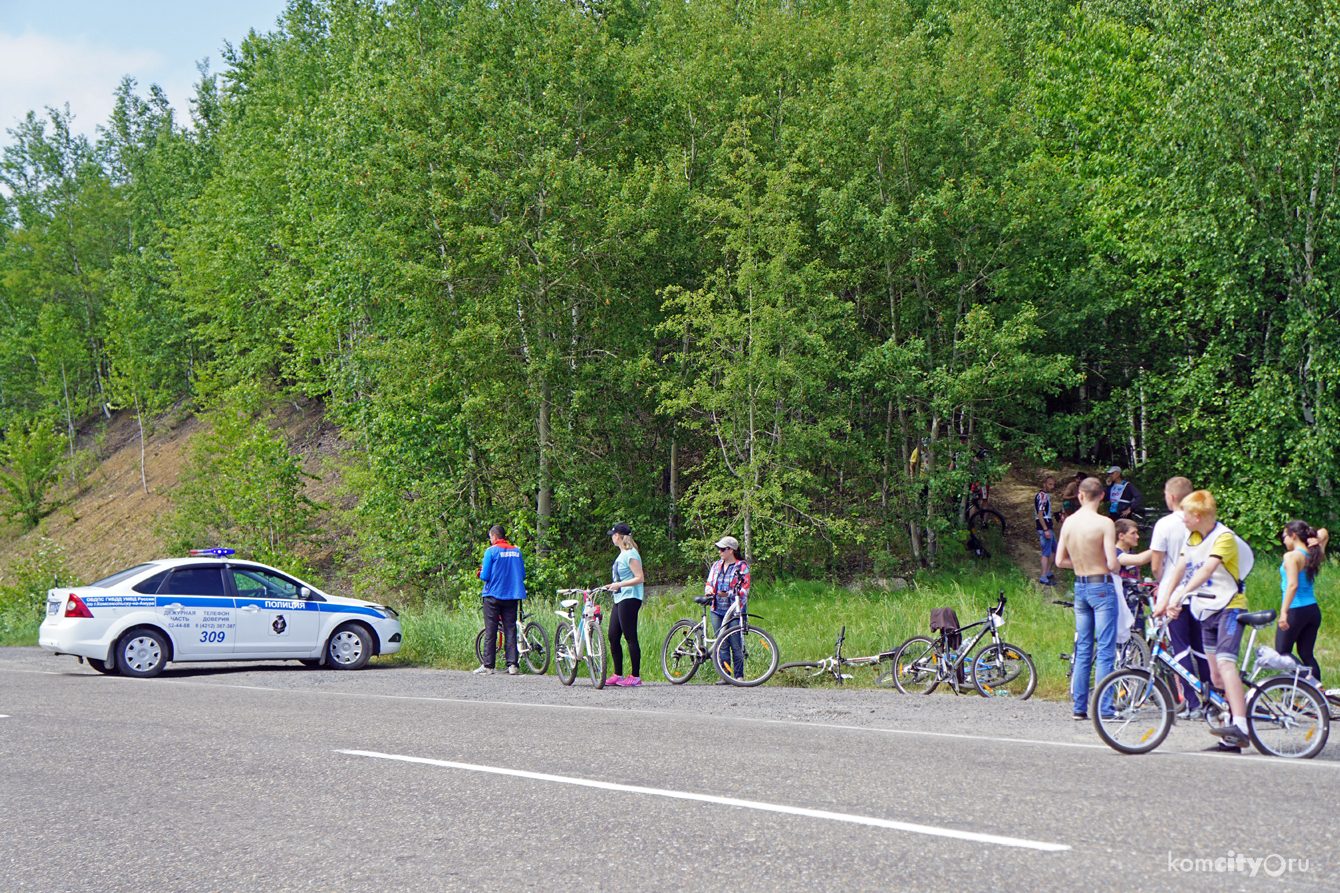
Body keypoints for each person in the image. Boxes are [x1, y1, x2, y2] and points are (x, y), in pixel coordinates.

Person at [1153, 490, 1250, 752]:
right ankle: (1230, 738)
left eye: (1185, 514)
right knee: (1216, 677)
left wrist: (1181, 595)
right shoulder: (1193, 536)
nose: (1181, 518)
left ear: (1197, 516)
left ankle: (1240, 724)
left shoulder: (1224, 537)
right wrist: (1165, 600)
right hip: (1206, 609)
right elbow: (1179, 568)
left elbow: (1207, 569)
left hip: (1229, 607)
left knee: (1226, 664)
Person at [1055, 476, 1121, 720]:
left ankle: (1079, 708)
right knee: (1105, 649)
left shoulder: (1069, 523)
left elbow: (1060, 561)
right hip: (1101, 587)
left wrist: (1082, 564)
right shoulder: (1105, 523)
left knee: (1083, 649)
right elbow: (1113, 564)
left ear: (1080, 495)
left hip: (1080, 587)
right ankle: (1104, 708)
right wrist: (1101, 564)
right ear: (1102, 496)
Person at [1149, 476, 1209, 717]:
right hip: (1202, 592)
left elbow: (1156, 565)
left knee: (1180, 649)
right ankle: (1210, 698)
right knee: (1202, 649)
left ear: (1171, 497)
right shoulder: (1202, 522)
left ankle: (1192, 702)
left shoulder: (1164, 525)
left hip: (1175, 596)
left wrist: (1165, 584)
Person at [1278, 519, 1327, 682]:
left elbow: (1292, 585)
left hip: (1296, 609)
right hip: (1312, 611)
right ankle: (1316, 695)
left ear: (1293, 536)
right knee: (1306, 654)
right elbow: (1324, 532)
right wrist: (1316, 540)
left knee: (1282, 652)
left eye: (1284, 536)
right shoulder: (1314, 553)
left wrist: (1284, 612)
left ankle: (1311, 683)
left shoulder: (1291, 556)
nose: (1283, 540)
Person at [475, 524, 526, 675]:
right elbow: (522, 574)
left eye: (490, 537)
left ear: (495, 537)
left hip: (493, 596)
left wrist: (479, 573)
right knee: (510, 629)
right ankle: (512, 665)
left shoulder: (491, 551)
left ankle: (488, 666)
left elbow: (485, 576)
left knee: (491, 630)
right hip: (512, 596)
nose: (490, 540)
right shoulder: (517, 551)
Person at [704, 535, 750, 684]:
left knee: (736, 644)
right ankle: (725, 676)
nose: (720, 552)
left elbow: (745, 590)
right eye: (719, 549)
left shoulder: (742, 566)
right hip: (717, 609)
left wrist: (728, 594)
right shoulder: (716, 565)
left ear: (731, 550)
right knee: (722, 644)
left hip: (735, 611)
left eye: (722, 549)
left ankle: (738, 676)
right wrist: (709, 589)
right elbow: (709, 582)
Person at [604, 522, 646, 687]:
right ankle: (617, 673)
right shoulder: (622, 554)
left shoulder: (631, 554)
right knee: (613, 636)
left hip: (630, 598)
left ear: (618, 536)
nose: (612, 538)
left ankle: (635, 676)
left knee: (630, 636)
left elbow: (639, 578)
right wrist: (612, 585)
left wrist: (619, 585)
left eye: (613, 535)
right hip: (619, 598)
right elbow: (621, 578)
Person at [1035, 475, 1057, 585]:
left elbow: (1044, 512)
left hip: (1048, 525)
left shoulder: (1045, 496)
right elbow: (1040, 514)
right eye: (1050, 484)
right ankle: (1043, 577)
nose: (1052, 486)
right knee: (1046, 552)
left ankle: (1048, 572)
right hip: (1045, 527)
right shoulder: (1042, 496)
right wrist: (1045, 529)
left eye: (1053, 484)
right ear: (1044, 484)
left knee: (1054, 549)